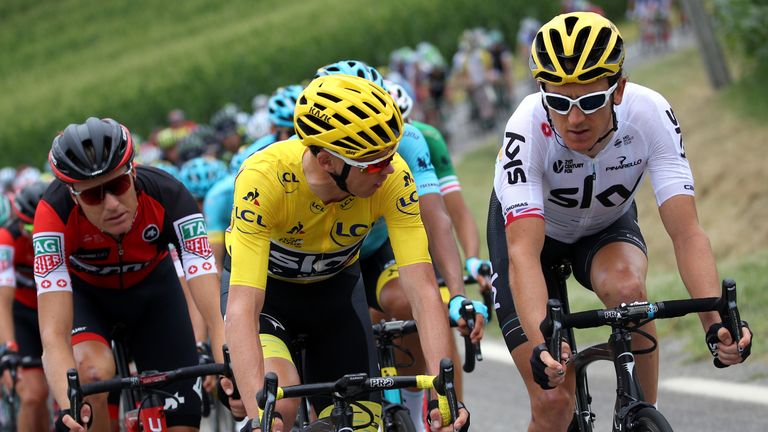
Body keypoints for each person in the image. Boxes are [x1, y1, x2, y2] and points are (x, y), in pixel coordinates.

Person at [487, 12, 753, 431]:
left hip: (605, 228)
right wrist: (542, 346)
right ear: (542, 94)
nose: (574, 120)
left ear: (619, 89)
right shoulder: (526, 128)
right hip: (533, 241)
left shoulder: (649, 114)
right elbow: (522, 252)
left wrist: (715, 323)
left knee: (628, 290)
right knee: (554, 400)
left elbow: (686, 232)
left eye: (591, 101)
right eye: (559, 102)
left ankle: (638, 415)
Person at [222, 74, 469, 432]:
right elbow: (243, 307)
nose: (387, 170)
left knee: (365, 424)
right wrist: (259, 415)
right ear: (326, 161)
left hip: (335, 298)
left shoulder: (393, 175)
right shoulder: (265, 178)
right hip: (270, 304)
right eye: (373, 163)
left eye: (390, 156)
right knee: (279, 409)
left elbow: (423, 289)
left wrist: (441, 388)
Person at [33, 117, 227, 432]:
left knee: (183, 425)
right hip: (89, 300)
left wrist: (230, 372)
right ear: (73, 196)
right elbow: (53, 335)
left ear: (133, 172)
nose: (111, 204)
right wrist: (70, 404)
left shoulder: (170, 195)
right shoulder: (52, 215)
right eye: (94, 195)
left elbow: (215, 311)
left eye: (119, 185)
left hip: (155, 296)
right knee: (91, 377)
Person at [0, 181, 50, 432]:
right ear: (19, 222)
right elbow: (2, 300)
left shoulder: (57, 232)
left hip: (52, 313)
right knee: (32, 394)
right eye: (30, 226)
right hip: (19, 315)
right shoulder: (7, 238)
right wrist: (8, 347)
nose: (36, 232)